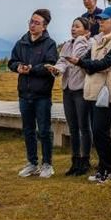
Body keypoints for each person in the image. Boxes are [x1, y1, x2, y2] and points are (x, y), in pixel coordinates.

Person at [66, 6, 111, 183]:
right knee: (98, 132)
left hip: (108, 92)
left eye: (104, 19)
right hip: (95, 91)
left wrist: (82, 63)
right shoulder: (98, 41)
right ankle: (103, 168)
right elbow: (89, 61)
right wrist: (85, 63)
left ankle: (108, 169)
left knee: (100, 131)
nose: (100, 22)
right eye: (100, 19)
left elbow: (104, 63)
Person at [9, 9, 59, 179]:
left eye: (37, 23)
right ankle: (32, 163)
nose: (32, 25)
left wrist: (31, 69)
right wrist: (18, 67)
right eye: (31, 21)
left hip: (42, 95)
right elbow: (12, 61)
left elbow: (50, 66)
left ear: (44, 27)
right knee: (28, 130)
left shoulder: (50, 44)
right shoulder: (21, 42)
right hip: (24, 93)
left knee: (44, 130)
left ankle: (47, 164)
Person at [47, 17, 92, 176]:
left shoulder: (87, 44)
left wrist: (81, 39)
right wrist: (56, 69)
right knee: (73, 127)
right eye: (72, 26)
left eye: (77, 27)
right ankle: (75, 161)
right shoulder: (67, 44)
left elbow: (77, 59)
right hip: (67, 89)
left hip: (80, 90)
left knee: (84, 127)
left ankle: (85, 161)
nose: (73, 29)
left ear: (87, 31)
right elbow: (63, 61)